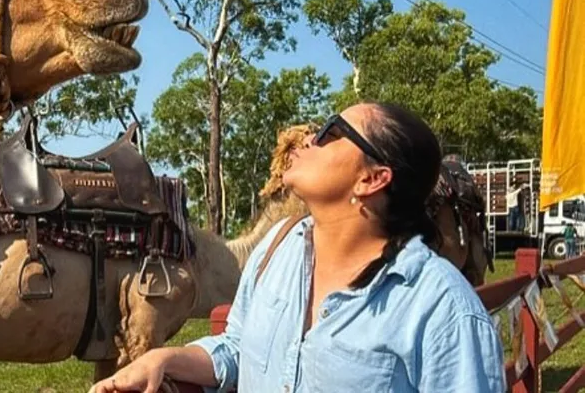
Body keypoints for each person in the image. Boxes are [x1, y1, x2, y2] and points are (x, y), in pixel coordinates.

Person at [88, 102, 505, 393]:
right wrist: (164, 360)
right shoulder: (278, 251)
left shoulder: (442, 309)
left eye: (331, 133)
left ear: (372, 179)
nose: (308, 138)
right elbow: (238, 346)